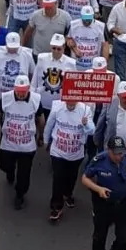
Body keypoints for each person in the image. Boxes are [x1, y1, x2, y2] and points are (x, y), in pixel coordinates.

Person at [44, 94, 93, 222]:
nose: (70, 105)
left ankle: (68, 193)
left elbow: (92, 131)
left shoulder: (85, 110)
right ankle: (56, 206)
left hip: (76, 153)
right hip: (58, 151)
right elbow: (49, 125)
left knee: (71, 177)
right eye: (68, 102)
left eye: (73, 102)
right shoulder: (57, 107)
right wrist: (45, 140)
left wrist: (86, 124)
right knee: (58, 177)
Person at [0, 74, 41, 208]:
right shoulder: (5, 98)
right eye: (18, 92)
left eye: (24, 92)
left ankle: (20, 194)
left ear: (28, 89)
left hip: (27, 145)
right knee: (4, 165)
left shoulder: (36, 100)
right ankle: (10, 171)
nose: (21, 95)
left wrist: (41, 136)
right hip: (8, 143)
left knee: (24, 174)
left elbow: (40, 118)